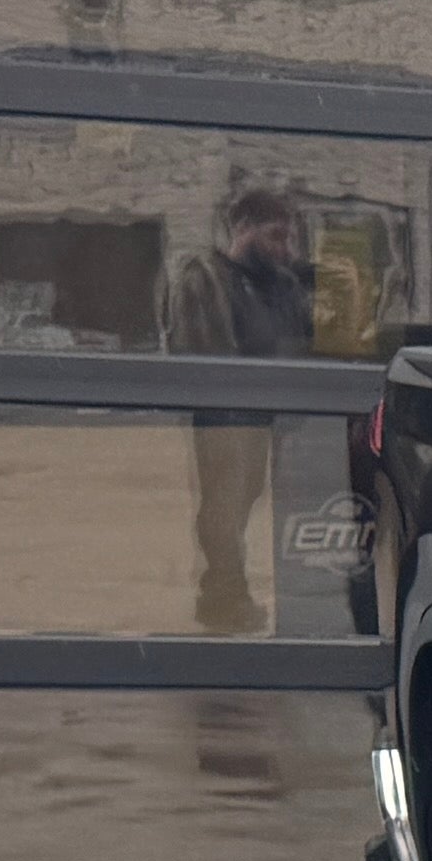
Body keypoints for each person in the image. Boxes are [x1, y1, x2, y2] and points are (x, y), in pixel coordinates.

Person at [157, 179, 326, 632]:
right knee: (223, 512)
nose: (284, 248)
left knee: (248, 505)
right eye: (274, 236)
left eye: (289, 238)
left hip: (274, 421)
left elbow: (303, 343)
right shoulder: (205, 280)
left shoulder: (282, 284)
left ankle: (231, 596)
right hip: (226, 420)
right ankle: (223, 599)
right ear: (242, 229)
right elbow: (198, 358)